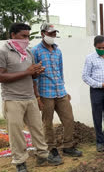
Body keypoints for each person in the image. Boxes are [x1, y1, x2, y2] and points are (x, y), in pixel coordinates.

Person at [0, 23, 60, 172]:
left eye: (28, 36)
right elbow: (1, 77)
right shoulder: (3, 52)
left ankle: (42, 156)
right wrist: (27, 72)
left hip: (30, 97)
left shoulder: (28, 52)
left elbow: (32, 77)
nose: (27, 39)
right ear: (13, 35)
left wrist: (36, 72)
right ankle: (20, 162)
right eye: (23, 36)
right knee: (16, 132)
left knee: (37, 128)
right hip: (13, 99)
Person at [32, 23, 82, 164]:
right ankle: (51, 149)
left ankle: (68, 145)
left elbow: (60, 72)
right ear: (43, 34)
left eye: (54, 33)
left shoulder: (57, 51)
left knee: (69, 119)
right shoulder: (35, 51)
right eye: (50, 33)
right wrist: (37, 96)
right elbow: (32, 76)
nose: (53, 36)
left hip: (60, 92)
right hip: (45, 93)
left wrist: (65, 90)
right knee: (47, 122)